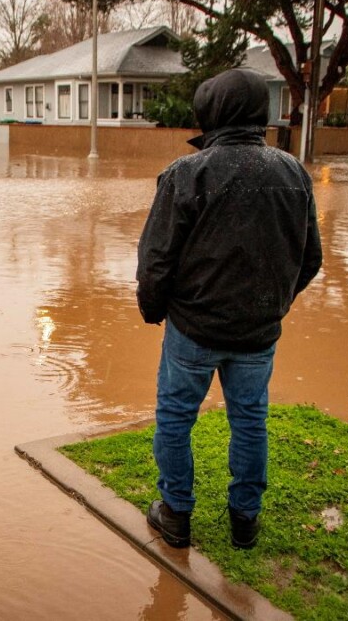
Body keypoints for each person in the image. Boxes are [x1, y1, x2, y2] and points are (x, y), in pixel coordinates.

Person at [136, 68, 322, 550]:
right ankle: (245, 521)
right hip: (258, 334)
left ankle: (175, 514)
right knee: (250, 421)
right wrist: (273, 305)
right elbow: (310, 259)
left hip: (192, 330)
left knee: (175, 420)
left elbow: (155, 259)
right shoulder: (294, 173)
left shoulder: (187, 173)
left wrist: (154, 310)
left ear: (212, 113)